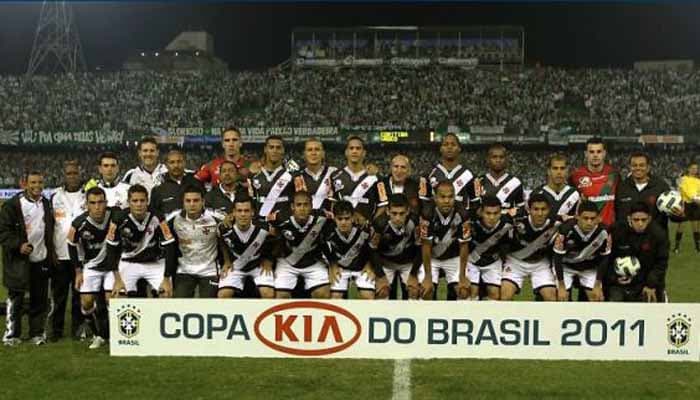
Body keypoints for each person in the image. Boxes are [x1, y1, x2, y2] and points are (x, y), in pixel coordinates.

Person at [0, 170, 54, 346]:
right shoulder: (12, 205)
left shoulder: (46, 203)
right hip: (18, 261)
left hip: (41, 258)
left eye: (40, 183)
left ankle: (36, 334)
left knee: (39, 299)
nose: (37, 186)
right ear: (25, 184)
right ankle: (11, 335)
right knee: (16, 298)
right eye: (33, 183)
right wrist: (18, 245)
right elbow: (3, 232)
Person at [68, 187, 125, 349]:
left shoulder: (115, 215)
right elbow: (71, 244)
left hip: (112, 267)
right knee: (86, 303)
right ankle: (97, 334)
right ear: (87, 205)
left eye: (101, 202)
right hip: (91, 267)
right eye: (93, 203)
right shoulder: (79, 224)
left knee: (112, 299)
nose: (97, 206)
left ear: (106, 203)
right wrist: (78, 272)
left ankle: (114, 335)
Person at [107, 185, 176, 297]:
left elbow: (170, 247)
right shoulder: (118, 219)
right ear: (129, 202)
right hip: (128, 262)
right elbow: (110, 248)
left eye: (142, 200)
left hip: (155, 262)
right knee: (118, 295)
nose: (139, 204)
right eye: (135, 201)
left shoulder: (158, 217)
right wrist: (117, 278)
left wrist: (167, 278)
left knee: (166, 294)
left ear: (147, 201)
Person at [49, 160, 86, 341]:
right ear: (64, 175)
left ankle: (78, 331)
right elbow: (50, 226)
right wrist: (52, 252)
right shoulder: (54, 196)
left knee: (80, 297)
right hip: (60, 255)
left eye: (75, 173)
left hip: (82, 256)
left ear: (80, 174)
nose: (72, 176)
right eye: (69, 173)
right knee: (59, 297)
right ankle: (56, 332)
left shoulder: (88, 195)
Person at [271, 191, 332, 299]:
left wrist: (333, 264)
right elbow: (269, 237)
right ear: (292, 207)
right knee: (281, 296)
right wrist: (268, 260)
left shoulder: (322, 219)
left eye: (306, 205)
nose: (302, 208)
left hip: (313, 262)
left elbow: (331, 239)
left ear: (311, 206)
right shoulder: (280, 219)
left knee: (323, 294)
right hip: (287, 262)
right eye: (298, 205)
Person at [501, 193, 560, 301]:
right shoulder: (516, 218)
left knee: (551, 299)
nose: (540, 213)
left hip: (540, 263)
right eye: (536, 209)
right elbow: (498, 221)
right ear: (529, 209)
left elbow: (574, 220)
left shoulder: (556, 222)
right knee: (505, 297)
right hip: (515, 262)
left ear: (549, 210)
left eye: (543, 209)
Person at [167, 186, 222, 298]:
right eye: (188, 201)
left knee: (208, 305)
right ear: (183, 202)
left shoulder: (216, 218)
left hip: (209, 270)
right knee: (179, 304)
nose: (192, 204)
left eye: (196, 200)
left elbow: (234, 225)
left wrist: (227, 261)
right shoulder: (174, 218)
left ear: (203, 202)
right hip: (184, 269)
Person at [553, 201, 611, 302]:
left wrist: (597, 285)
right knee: (562, 298)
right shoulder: (565, 230)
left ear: (598, 218)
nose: (589, 222)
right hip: (566, 267)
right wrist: (561, 286)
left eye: (593, 219)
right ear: (577, 217)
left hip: (588, 268)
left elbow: (604, 258)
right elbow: (557, 258)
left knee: (597, 298)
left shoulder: (604, 232)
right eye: (585, 218)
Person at [218, 195, 275, 299]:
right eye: (239, 211)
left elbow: (277, 242)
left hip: (258, 265)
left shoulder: (264, 228)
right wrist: (226, 260)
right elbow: (221, 241)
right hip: (236, 266)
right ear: (234, 212)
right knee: (223, 295)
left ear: (252, 212)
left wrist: (268, 260)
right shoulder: (225, 228)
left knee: (268, 294)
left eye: (246, 211)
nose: (243, 214)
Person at [609, 202, 668, 302]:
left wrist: (650, 284)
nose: (640, 223)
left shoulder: (658, 235)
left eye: (643, 220)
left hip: (648, 281)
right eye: (636, 220)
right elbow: (608, 258)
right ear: (629, 219)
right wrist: (614, 278)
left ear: (649, 219)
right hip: (620, 282)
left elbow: (661, 262)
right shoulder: (617, 232)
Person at [421, 181, 470, 301]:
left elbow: (464, 246)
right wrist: (428, 277)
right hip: (432, 257)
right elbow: (426, 246)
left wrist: (462, 276)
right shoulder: (427, 213)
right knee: (425, 292)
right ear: (435, 198)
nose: (447, 201)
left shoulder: (463, 214)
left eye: (450, 197)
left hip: (453, 257)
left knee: (463, 292)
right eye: (442, 197)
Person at [369, 194, 424, 300]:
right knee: (382, 293)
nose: (398, 218)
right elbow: (372, 250)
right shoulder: (379, 224)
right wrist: (381, 276)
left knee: (415, 292)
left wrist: (413, 274)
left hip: (408, 263)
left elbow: (420, 247)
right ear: (387, 211)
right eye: (394, 213)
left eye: (401, 213)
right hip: (386, 263)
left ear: (408, 211)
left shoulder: (415, 222)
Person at [325, 201, 375, 300]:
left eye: (347, 218)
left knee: (368, 295)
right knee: (335, 297)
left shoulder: (365, 229)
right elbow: (324, 249)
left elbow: (372, 249)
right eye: (340, 219)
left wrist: (370, 264)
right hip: (340, 268)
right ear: (334, 218)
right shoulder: (328, 231)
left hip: (361, 268)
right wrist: (332, 265)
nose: (343, 222)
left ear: (352, 218)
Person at [466, 195, 513, 300]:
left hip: (492, 261)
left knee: (495, 294)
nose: (492, 217)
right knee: (471, 292)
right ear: (481, 212)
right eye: (488, 213)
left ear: (501, 212)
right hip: (471, 260)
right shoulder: (470, 220)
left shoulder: (508, 223)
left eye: (496, 213)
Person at [570, 137, 620, 228]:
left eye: (599, 152)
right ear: (586, 154)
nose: (595, 155)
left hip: (611, 230)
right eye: (592, 152)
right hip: (588, 230)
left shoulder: (614, 175)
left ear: (604, 153)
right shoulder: (576, 176)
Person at [615, 152, 672, 230]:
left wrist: (679, 215)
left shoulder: (661, 187)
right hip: (628, 239)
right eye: (634, 165)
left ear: (648, 167)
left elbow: (672, 215)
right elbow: (617, 215)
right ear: (630, 167)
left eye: (642, 165)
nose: (638, 168)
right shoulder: (622, 187)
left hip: (655, 239)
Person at [331, 136, 378, 224]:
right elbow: (333, 203)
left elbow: (382, 205)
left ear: (364, 153)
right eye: (351, 148)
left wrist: (372, 224)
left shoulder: (374, 178)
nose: (354, 151)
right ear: (346, 152)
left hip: (366, 231)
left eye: (358, 148)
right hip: (342, 229)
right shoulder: (335, 176)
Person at [424, 133, 475, 212]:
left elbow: (475, 204)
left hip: (462, 221)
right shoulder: (429, 174)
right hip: (436, 221)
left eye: (453, 144)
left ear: (459, 148)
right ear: (441, 148)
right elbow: (425, 203)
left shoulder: (469, 175)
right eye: (446, 144)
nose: (449, 147)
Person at [251, 136, 293, 222]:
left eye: (278, 148)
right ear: (265, 149)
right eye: (271, 147)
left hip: (284, 225)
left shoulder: (291, 175)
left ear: (283, 150)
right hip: (260, 225)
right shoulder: (254, 175)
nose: (275, 150)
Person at [150, 149, 203, 218]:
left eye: (179, 161)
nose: (176, 165)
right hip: (169, 228)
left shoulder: (197, 183)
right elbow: (155, 216)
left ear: (184, 163)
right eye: (172, 162)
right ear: (166, 165)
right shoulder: (158, 188)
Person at [474, 144, 525, 211]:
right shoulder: (478, 182)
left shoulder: (515, 183)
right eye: (494, 157)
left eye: (501, 157)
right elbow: (474, 208)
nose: (498, 160)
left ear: (506, 159)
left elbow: (520, 209)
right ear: (488, 159)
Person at [293, 138, 337, 211]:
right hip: (306, 221)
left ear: (323, 154)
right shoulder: (296, 177)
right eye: (310, 150)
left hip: (330, 220)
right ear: (304, 154)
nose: (313, 153)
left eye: (317, 149)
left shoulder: (334, 173)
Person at [532, 153, 580, 218]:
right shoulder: (537, 193)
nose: (559, 172)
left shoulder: (574, 194)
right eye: (555, 168)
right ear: (549, 171)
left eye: (562, 168)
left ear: (567, 171)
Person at [677, 161, 700, 252]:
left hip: (695, 205)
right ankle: (677, 247)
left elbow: (698, 192)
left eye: (696, 169)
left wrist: (697, 199)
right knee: (681, 226)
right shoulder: (683, 179)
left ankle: (697, 247)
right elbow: (683, 191)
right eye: (693, 168)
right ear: (688, 169)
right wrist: (693, 198)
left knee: (696, 227)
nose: (695, 170)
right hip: (685, 204)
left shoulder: (698, 180)